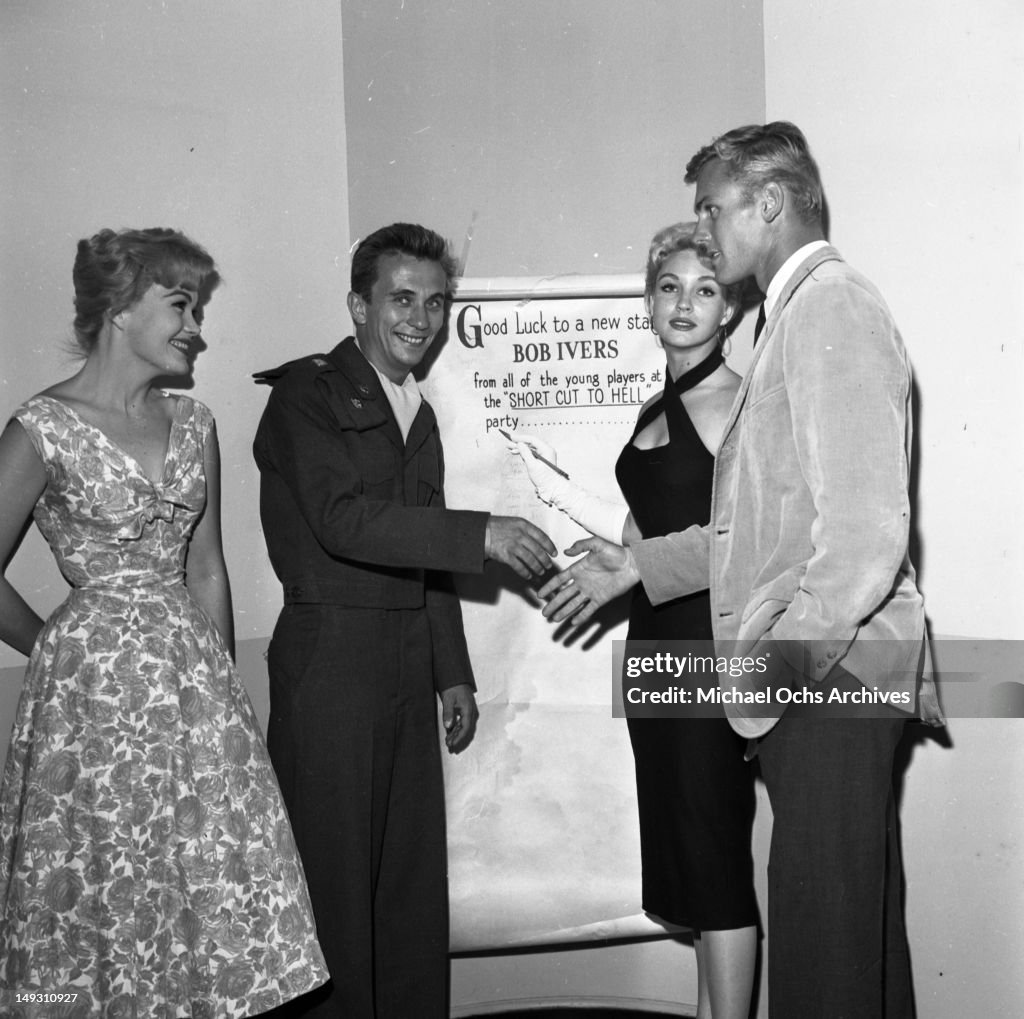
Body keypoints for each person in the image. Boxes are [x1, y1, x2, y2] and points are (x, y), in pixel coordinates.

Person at [540, 123, 943, 1017]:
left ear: (769, 204)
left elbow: (866, 533)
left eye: (712, 209)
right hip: (836, 673)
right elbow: (762, 533)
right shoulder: (789, 318)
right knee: (849, 937)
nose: (707, 230)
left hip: (830, 675)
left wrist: (774, 673)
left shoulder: (831, 304)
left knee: (825, 946)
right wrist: (642, 563)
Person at [0, 228, 328, 1016]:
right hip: (91, 703)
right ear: (119, 309)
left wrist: (225, 700)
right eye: (180, 304)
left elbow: (206, 567)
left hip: (192, 690)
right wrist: (52, 642)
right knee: (109, 880)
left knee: (207, 887)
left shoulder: (195, 422)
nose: (195, 327)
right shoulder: (43, 427)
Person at [252, 222, 556, 1019]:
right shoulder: (304, 396)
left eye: (434, 301)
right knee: (336, 892)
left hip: (401, 666)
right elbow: (342, 520)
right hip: (333, 664)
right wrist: (481, 532)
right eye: (400, 298)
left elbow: (417, 554)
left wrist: (448, 667)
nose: (419, 318)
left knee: (408, 888)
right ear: (359, 304)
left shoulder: (411, 405)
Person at [509, 223, 757, 1019]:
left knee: (714, 855)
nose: (685, 303)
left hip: (708, 648)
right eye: (670, 286)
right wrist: (563, 499)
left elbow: (745, 540)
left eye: (706, 289)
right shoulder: (663, 399)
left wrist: (635, 563)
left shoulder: (733, 401)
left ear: (731, 307)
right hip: (653, 643)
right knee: (688, 853)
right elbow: (650, 533)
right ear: (648, 301)